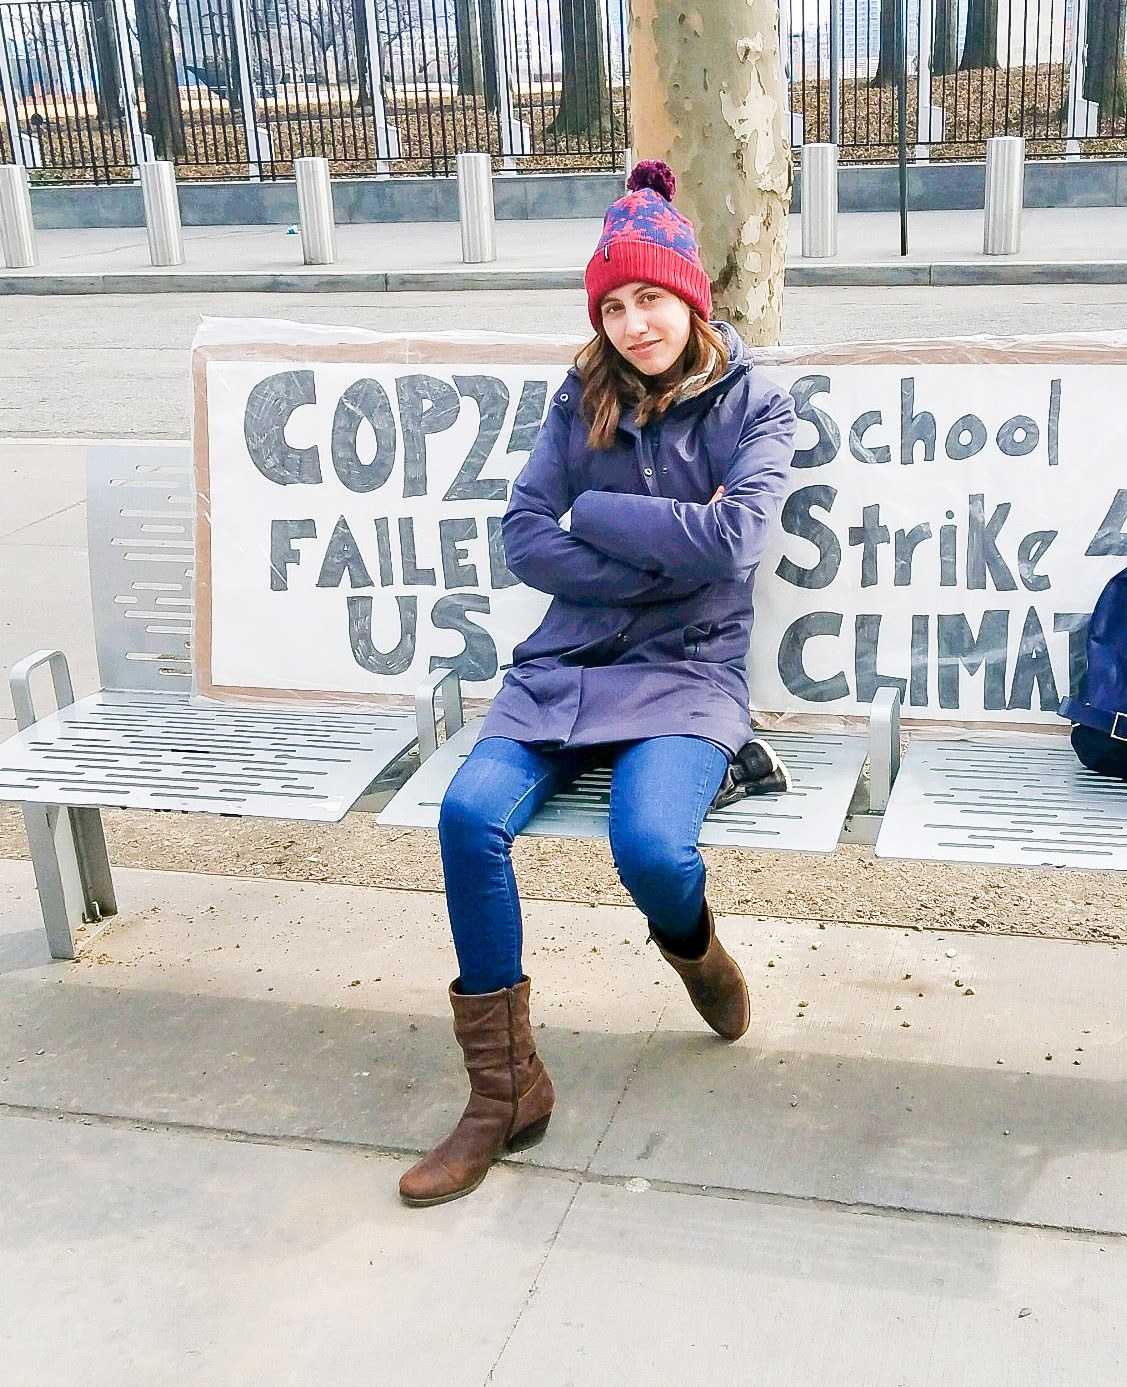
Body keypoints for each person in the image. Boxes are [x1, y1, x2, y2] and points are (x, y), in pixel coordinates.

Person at [399, 161, 798, 1207]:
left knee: (651, 848)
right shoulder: (580, 397)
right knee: (468, 816)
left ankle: (695, 948)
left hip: (688, 669)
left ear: (690, 299)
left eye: (650, 299)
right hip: (568, 663)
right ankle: (505, 1092)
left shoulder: (756, 400)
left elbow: (735, 539)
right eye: (613, 307)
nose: (632, 325)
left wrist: (600, 516)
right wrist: (665, 552)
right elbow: (525, 537)